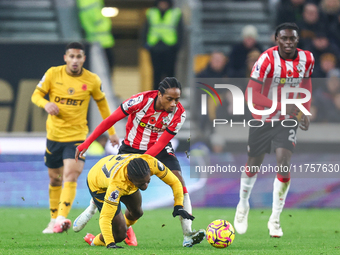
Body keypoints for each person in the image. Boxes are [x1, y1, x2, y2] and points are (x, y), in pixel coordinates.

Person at [74, 77, 206, 247]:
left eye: (177, 99)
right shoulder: (140, 101)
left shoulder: (179, 113)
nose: (174, 104)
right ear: (159, 95)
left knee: (180, 183)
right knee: (115, 184)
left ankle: (188, 233)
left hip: (160, 149)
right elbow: (110, 120)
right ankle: (93, 208)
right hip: (131, 148)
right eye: (170, 99)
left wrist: (144, 163)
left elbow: (160, 143)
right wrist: (87, 142)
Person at [234, 23, 314, 238]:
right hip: (262, 117)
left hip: (287, 120)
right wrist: (282, 106)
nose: (288, 42)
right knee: (253, 164)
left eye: (292, 39)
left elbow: (305, 82)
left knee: (284, 162)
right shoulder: (267, 60)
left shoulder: (307, 59)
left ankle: (275, 219)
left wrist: (304, 109)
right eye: (284, 39)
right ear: (276, 39)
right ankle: (243, 205)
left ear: (297, 40)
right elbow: (252, 94)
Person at [31, 42, 119, 234]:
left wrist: (111, 132)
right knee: (55, 179)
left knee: (71, 174)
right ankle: (53, 219)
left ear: (83, 59)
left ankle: (61, 218)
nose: (75, 60)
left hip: (78, 137)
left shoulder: (92, 80)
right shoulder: (53, 74)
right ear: (65, 58)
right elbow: (36, 95)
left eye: (78, 57)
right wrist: (46, 104)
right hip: (54, 136)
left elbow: (103, 107)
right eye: (71, 56)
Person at [81, 153, 194, 248]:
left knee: (137, 212)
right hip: (97, 183)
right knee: (119, 235)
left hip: (116, 171)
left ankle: (125, 227)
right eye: (141, 184)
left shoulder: (151, 163)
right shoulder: (117, 185)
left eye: (148, 181)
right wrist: (110, 243)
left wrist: (178, 205)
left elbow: (175, 182)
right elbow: (105, 217)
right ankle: (93, 241)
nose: (145, 186)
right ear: (130, 178)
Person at [142, 0, 183, 90]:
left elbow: (180, 30)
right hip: (155, 46)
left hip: (170, 47)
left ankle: (171, 92)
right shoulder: (151, 13)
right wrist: (145, 43)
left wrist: (178, 46)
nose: (163, 4)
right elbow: (146, 28)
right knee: (156, 73)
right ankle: (156, 93)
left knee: (170, 72)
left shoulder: (175, 13)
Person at [77, 0, 115, 74]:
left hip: (94, 41)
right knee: (104, 73)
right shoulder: (90, 2)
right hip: (100, 43)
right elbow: (96, 19)